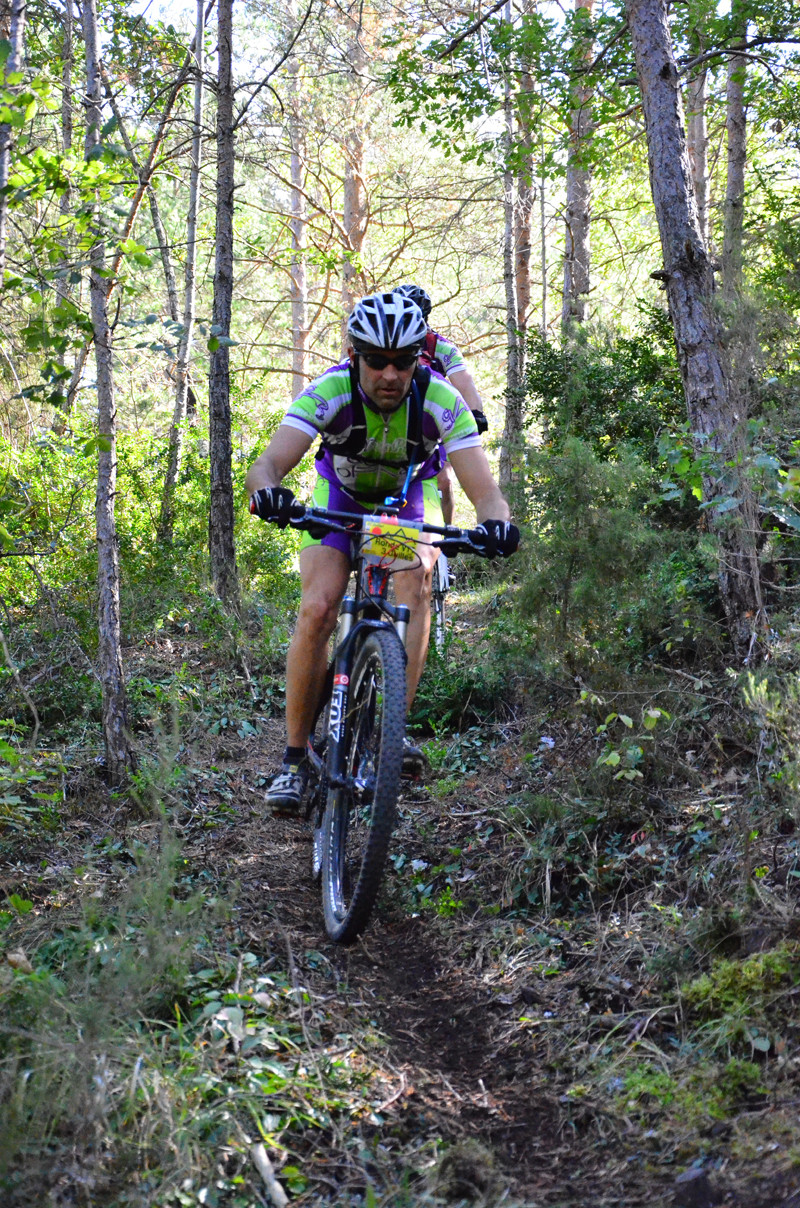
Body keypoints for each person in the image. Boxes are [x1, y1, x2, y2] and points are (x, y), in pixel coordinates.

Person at [246, 291, 519, 816]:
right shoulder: (330, 390)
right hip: (338, 502)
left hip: (400, 509)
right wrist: (269, 492)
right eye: (376, 361)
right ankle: (294, 760)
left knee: (413, 587)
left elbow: (486, 491)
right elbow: (267, 465)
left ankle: (393, 730)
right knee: (320, 607)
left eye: (402, 361)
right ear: (355, 356)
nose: (389, 374)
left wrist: (495, 525)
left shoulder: (440, 400)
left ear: (420, 357)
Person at [393, 284, 488, 525]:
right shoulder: (383, 342)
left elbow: (465, 383)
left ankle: (447, 533)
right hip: (394, 415)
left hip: (433, 420)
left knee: (444, 480)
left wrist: (475, 413)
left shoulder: (440, 347)